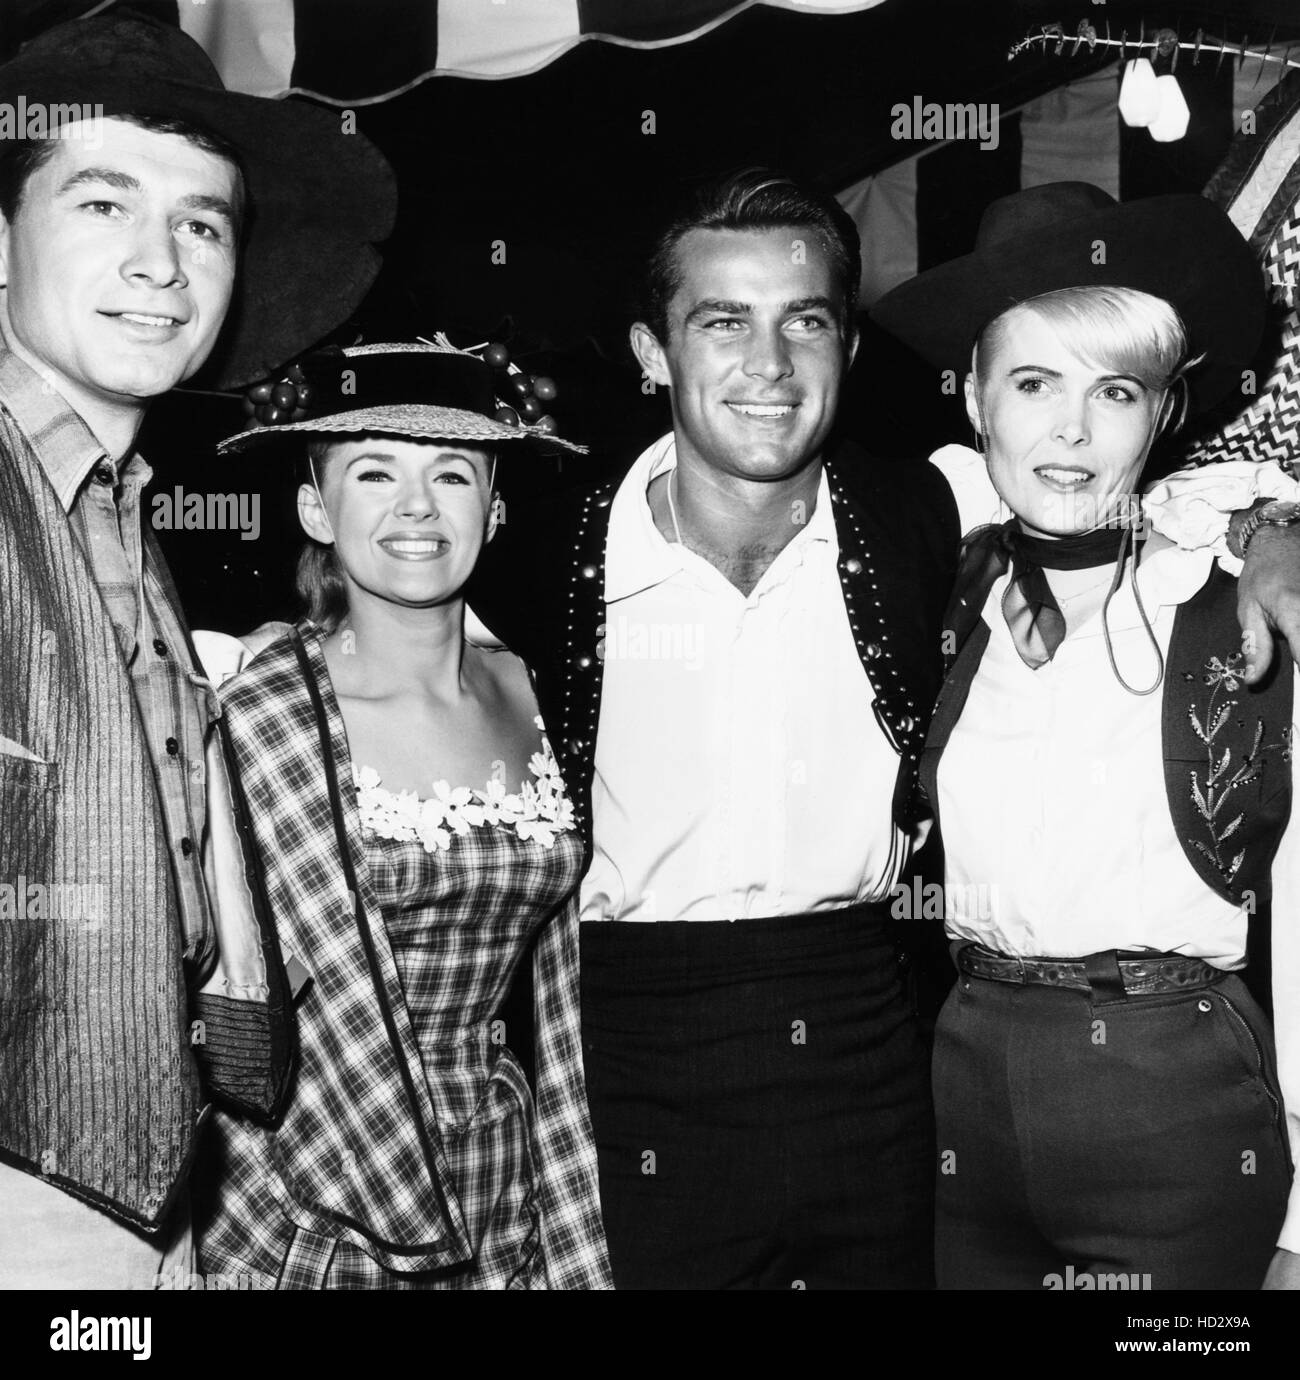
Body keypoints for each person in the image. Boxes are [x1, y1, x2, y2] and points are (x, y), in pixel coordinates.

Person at [470, 168, 1300, 1290]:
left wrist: (1272, 523)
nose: (768, 367)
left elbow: (1136, 494)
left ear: (847, 352)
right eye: (723, 324)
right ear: (651, 352)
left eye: (804, 323)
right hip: (642, 1043)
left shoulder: (919, 522)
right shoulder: (543, 552)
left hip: (875, 1041)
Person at [0, 13, 393, 1288]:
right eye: (103, 203)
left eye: (203, 225)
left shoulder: (114, 505)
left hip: (144, 1170)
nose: (162, 264)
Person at [870, 181, 1300, 1289]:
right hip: (961, 1088)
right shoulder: (940, 580)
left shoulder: (1240, 606)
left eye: (1112, 391)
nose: (1068, 430)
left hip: (1177, 1101)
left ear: (1161, 414)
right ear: (972, 397)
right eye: (1030, 383)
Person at [193, 341, 612, 1289]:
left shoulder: (543, 690)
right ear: (314, 507)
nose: (417, 507)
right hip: (309, 1183)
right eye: (374, 471)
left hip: (502, 1177)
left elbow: (562, 990)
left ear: (494, 509)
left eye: (452, 474)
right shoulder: (254, 710)